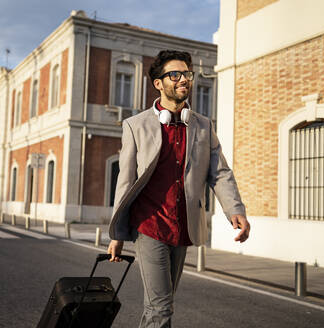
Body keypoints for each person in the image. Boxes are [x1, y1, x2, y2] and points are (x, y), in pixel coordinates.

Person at [107, 50, 250, 328]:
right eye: (176, 74)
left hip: (183, 227)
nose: (184, 79)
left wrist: (235, 210)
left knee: (160, 305)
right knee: (161, 308)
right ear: (159, 83)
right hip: (149, 226)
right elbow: (125, 181)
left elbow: (219, 172)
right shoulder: (135, 126)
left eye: (187, 74)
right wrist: (117, 234)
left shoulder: (203, 126)